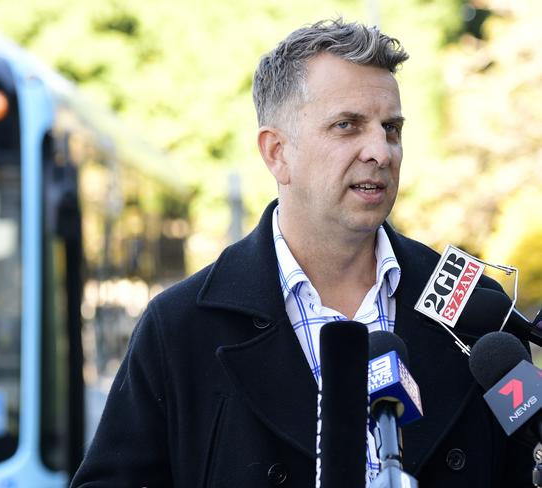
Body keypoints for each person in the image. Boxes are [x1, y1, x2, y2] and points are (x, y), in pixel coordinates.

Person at [71, 19, 532, 487]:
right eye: (347, 126)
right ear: (276, 153)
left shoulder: (474, 308)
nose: (381, 151)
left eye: (391, 128)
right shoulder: (179, 328)